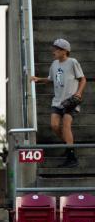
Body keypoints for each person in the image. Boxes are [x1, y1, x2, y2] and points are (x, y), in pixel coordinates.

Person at [32, 39, 86, 168]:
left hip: (70, 100)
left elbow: (83, 79)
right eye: (54, 48)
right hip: (57, 101)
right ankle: (69, 146)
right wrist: (38, 79)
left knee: (66, 125)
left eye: (56, 49)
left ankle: (71, 157)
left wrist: (78, 93)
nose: (53, 51)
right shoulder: (54, 64)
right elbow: (51, 79)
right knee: (55, 126)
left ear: (64, 51)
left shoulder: (73, 62)